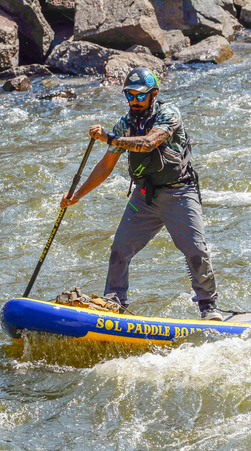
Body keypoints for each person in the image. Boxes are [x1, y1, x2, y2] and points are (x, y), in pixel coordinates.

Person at [60, 67, 222, 321]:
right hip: (144, 197)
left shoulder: (169, 114)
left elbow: (148, 142)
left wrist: (109, 138)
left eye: (140, 96)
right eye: (129, 95)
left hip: (180, 193)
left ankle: (208, 307)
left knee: (195, 251)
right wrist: (77, 195)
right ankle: (115, 302)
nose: (134, 101)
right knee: (119, 250)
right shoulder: (125, 124)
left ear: (153, 94)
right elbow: (105, 166)